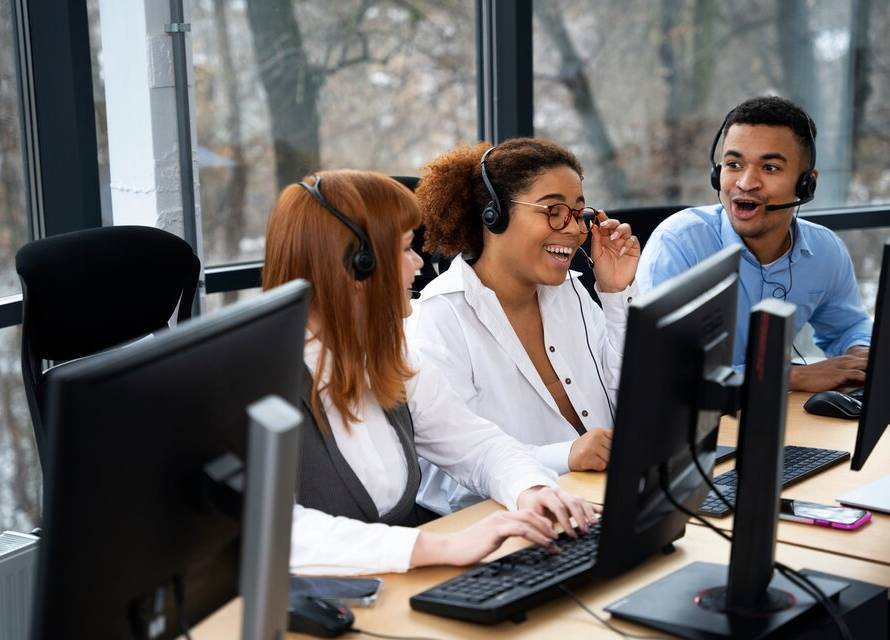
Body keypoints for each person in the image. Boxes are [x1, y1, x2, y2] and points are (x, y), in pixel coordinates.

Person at [262, 169, 597, 575]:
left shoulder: (387, 357)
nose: (418, 264)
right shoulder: (260, 381)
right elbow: (278, 531)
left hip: (396, 589)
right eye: (404, 250)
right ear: (357, 267)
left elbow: (475, 444)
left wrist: (532, 489)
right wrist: (438, 545)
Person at [406, 138, 640, 515]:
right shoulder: (440, 318)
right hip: (503, 524)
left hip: (598, 499)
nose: (574, 230)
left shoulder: (570, 293)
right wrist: (567, 456)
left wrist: (616, 294)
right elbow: (446, 481)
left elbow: (635, 402)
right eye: (553, 210)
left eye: (578, 214)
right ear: (493, 215)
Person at [637, 96, 872, 393]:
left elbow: (850, 326)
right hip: (688, 428)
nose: (746, 183)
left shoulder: (825, 251)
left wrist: (859, 353)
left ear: (806, 184)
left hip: (773, 421)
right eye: (734, 164)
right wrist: (789, 377)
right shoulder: (679, 244)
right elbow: (664, 370)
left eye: (770, 168)